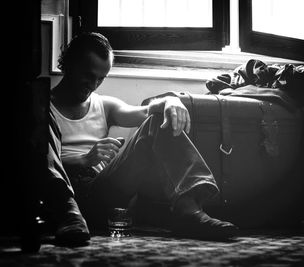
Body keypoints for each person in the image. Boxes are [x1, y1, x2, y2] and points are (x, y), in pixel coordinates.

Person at [48, 31, 238, 243]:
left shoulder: (104, 104)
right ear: (70, 64)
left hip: (100, 193)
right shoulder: (41, 106)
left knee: (159, 120)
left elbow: (147, 113)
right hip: (58, 196)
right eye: (88, 75)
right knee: (37, 115)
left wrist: (169, 101)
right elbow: (24, 164)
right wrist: (82, 160)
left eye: (101, 78)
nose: (93, 85)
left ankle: (188, 211)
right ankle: (69, 213)